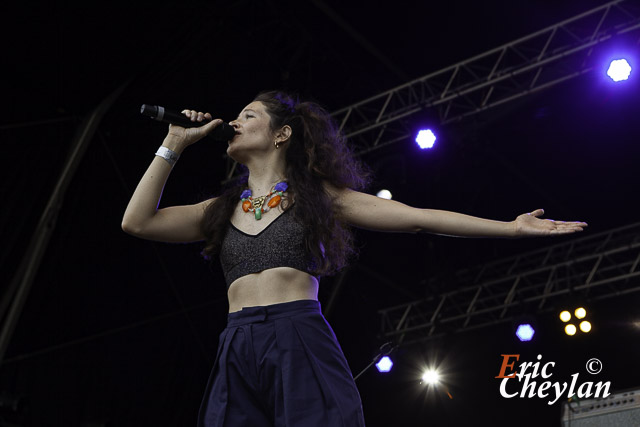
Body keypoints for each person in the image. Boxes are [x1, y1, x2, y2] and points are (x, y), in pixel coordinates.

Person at [121, 91, 587, 426]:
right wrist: (174, 145)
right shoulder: (221, 208)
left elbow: (416, 218)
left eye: (248, 115)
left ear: (281, 134)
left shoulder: (319, 196)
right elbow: (137, 222)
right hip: (237, 341)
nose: (234, 122)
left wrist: (509, 227)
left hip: (296, 331)